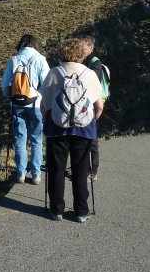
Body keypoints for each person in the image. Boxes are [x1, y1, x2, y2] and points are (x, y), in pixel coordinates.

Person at [40, 39, 103, 223]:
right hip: (83, 130)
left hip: (57, 129)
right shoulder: (90, 74)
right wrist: (90, 121)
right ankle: (81, 212)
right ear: (83, 53)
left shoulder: (54, 73)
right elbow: (98, 106)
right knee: (81, 170)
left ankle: (56, 210)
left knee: (56, 169)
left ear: (63, 52)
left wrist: (48, 120)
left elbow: (45, 105)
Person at [1, 34, 50, 185]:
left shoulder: (14, 60)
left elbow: (4, 85)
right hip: (36, 105)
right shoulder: (40, 59)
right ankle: (36, 175)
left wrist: (10, 97)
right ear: (34, 44)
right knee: (36, 140)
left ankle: (20, 174)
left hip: (17, 105)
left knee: (20, 140)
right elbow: (47, 83)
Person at [80, 36, 103, 181]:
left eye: (84, 47)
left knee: (92, 140)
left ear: (91, 48)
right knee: (83, 139)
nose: (81, 49)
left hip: (91, 105)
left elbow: (94, 87)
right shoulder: (85, 61)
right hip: (83, 105)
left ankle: (93, 171)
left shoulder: (95, 64)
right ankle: (85, 168)